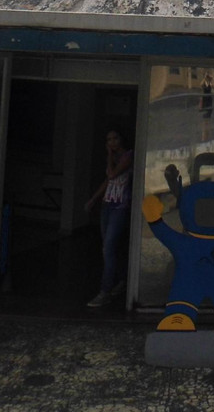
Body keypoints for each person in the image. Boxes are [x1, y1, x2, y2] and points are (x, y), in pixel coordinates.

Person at [85, 129, 134, 307]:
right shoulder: (113, 159)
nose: (112, 142)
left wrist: (108, 155)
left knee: (109, 247)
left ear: (121, 139)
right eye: (109, 140)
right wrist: (93, 199)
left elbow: (113, 174)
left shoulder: (128, 155)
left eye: (115, 138)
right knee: (108, 248)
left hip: (120, 206)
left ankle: (105, 291)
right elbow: (108, 181)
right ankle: (122, 279)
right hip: (107, 204)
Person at [199, 73, 213, 141]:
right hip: (205, 103)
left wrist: (209, 79)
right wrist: (205, 78)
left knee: (208, 120)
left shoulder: (209, 84)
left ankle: (207, 136)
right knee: (205, 120)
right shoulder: (204, 85)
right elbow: (201, 85)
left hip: (209, 103)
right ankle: (204, 137)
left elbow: (213, 85)